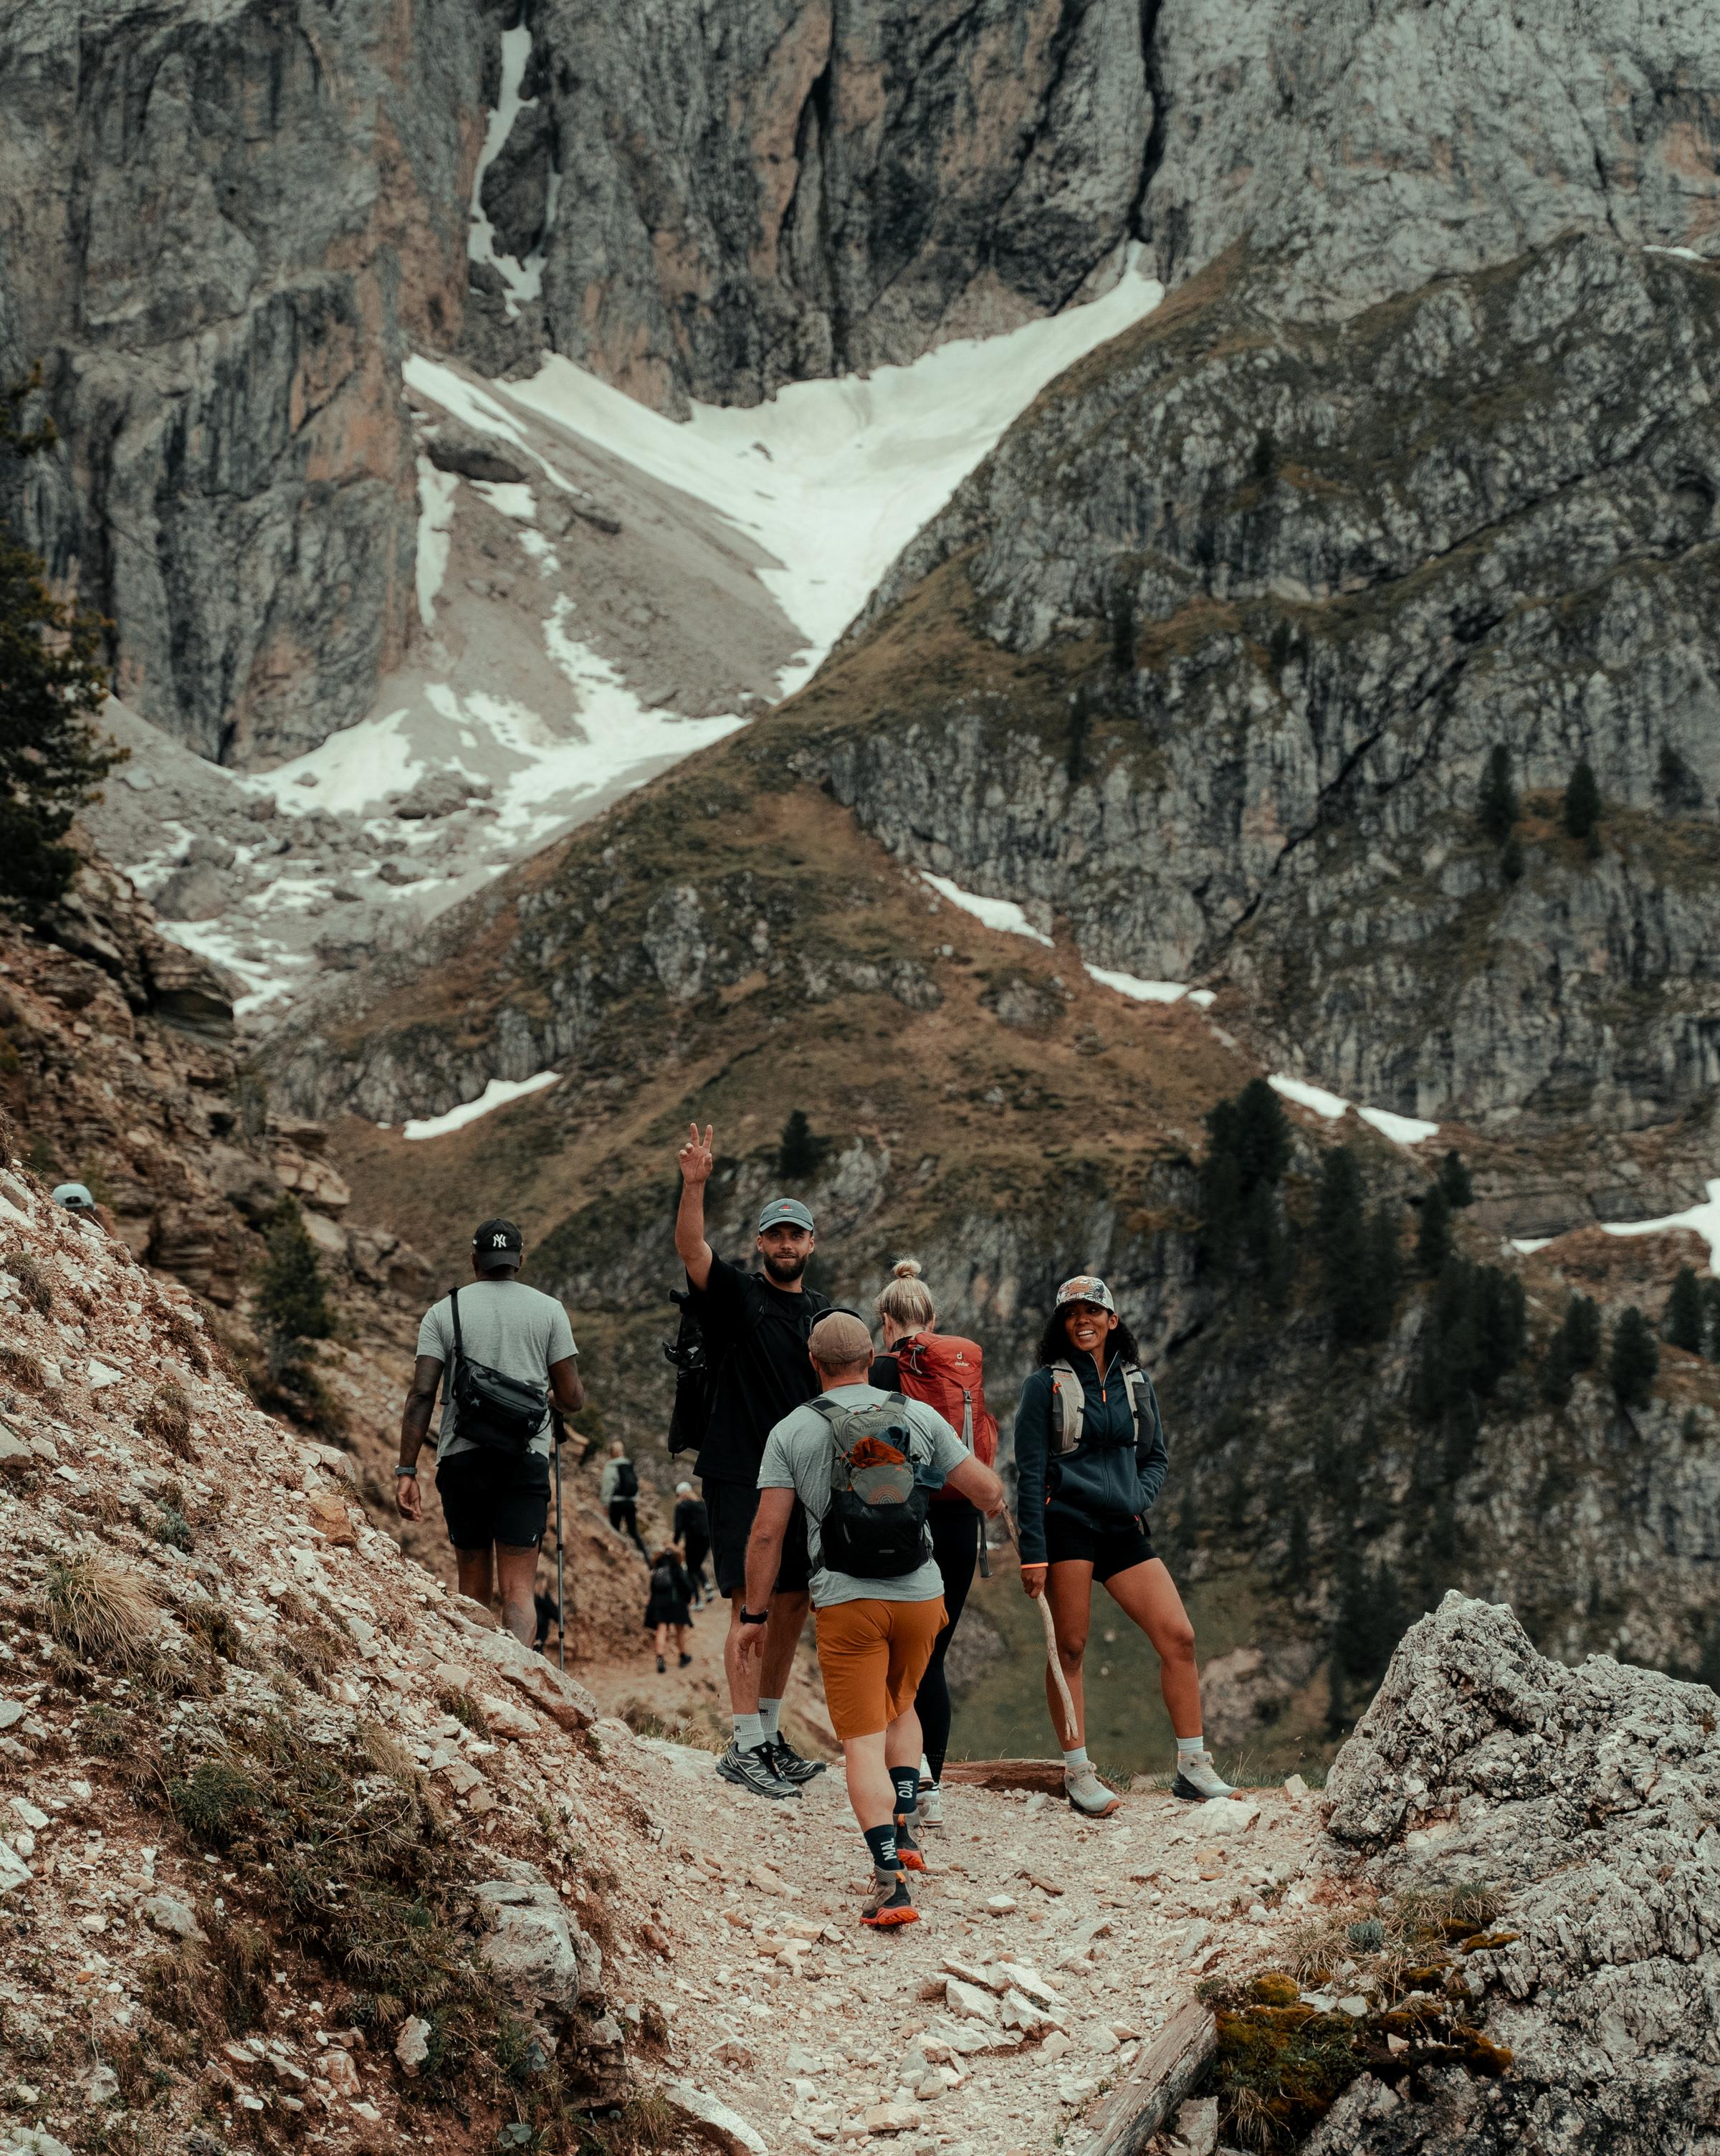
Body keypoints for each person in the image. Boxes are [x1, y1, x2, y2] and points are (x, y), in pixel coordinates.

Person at [743, 1310, 1005, 1927]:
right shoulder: (916, 1414)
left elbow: (766, 1534)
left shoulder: (792, 1430)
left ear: (814, 1362)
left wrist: (755, 1614)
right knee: (902, 1705)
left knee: (861, 1741)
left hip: (846, 1600)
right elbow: (986, 1491)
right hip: (920, 1596)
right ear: (871, 1357)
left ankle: (890, 1886)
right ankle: (908, 1833)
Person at [1013, 1273, 1233, 1814]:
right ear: (1061, 1326)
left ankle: (1192, 1766)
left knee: (1178, 1636)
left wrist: (1140, 1496)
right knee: (1070, 1646)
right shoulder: (1045, 1386)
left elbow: (1156, 1455)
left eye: (1092, 1311)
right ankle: (1078, 1771)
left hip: (1121, 1527)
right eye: (1071, 1314)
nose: (1081, 1320)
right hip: (1066, 1526)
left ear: (1113, 1320)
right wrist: (1033, 1552)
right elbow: (1030, 1472)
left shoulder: (1136, 1382)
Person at [675, 1122, 832, 1799]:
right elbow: (691, 1249)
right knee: (751, 1600)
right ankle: (742, 1744)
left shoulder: (823, 1317)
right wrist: (695, 1185)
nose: (787, 1244)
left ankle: (768, 1735)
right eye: (777, 1235)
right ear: (761, 1244)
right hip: (742, 1472)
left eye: (797, 1235)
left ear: (811, 1244)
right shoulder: (739, 1298)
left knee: (792, 1602)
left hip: (805, 1484)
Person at [396, 1218, 583, 1646]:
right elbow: (572, 1398)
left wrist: (406, 1468)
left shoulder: (444, 1311)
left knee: (472, 1590)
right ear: (519, 1259)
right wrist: (547, 1396)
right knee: (518, 1591)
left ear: (474, 1259)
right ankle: (519, 1685)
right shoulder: (550, 1310)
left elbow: (422, 1394)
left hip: (462, 1460)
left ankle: (479, 1689)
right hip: (524, 1460)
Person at [869, 1259, 996, 1831]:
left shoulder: (881, 1369)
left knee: (897, 1655)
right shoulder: (962, 1368)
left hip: (905, 1523)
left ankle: (902, 1782)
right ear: (933, 1318)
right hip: (962, 1522)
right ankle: (932, 1788)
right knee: (936, 1655)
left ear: (886, 1319)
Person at [645, 1545, 695, 1671]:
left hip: (660, 1604)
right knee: (680, 1631)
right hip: (676, 1603)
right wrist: (688, 1599)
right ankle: (683, 1656)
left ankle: (660, 1659)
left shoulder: (657, 1569)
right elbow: (686, 1585)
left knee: (662, 1630)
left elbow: (652, 1589)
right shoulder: (677, 1568)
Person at [600, 1439, 648, 1557]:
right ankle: (646, 1556)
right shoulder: (628, 1464)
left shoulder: (611, 1466)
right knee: (633, 1531)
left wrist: (605, 1504)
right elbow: (635, 1483)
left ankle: (617, 1555)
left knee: (615, 1529)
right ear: (622, 1451)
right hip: (630, 1503)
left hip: (616, 1503)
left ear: (611, 1452)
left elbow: (608, 1486)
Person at [673, 1482, 712, 1604]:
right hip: (706, 1541)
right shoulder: (701, 1504)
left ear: (680, 1494)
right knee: (697, 1565)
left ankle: (698, 1601)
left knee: (690, 1569)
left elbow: (678, 1528)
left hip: (692, 1541)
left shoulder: (681, 1507)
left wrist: (675, 1544)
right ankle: (707, 1586)